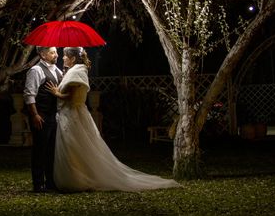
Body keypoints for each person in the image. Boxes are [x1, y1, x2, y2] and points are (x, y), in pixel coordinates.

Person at [47, 47, 180, 192]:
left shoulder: (76, 72)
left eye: (65, 56)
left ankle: (77, 179)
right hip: (72, 114)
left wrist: (56, 93)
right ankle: (78, 176)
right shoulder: (75, 71)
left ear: (72, 58)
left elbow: (72, 97)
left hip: (72, 115)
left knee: (74, 146)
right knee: (75, 147)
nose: (63, 58)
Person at [23, 46, 63, 193]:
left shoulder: (57, 70)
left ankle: (50, 182)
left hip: (54, 116)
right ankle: (38, 184)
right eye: (52, 52)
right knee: (40, 150)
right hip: (41, 116)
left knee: (51, 151)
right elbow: (29, 94)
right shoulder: (36, 70)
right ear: (42, 54)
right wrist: (34, 115)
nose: (56, 55)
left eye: (56, 52)